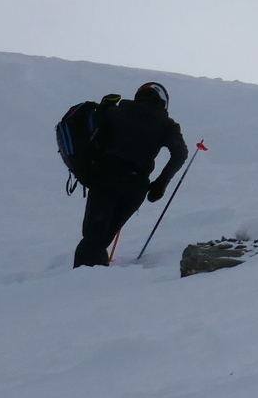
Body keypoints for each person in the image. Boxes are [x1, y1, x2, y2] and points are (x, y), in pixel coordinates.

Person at [72, 81, 188, 268]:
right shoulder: (167, 125)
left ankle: (82, 285)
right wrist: (160, 184)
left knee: (93, 239)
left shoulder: (115, 111)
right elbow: (181, 153)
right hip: (135, 188)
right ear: (163, 102)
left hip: (106, 178)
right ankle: (94, 280)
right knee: (100, 241)